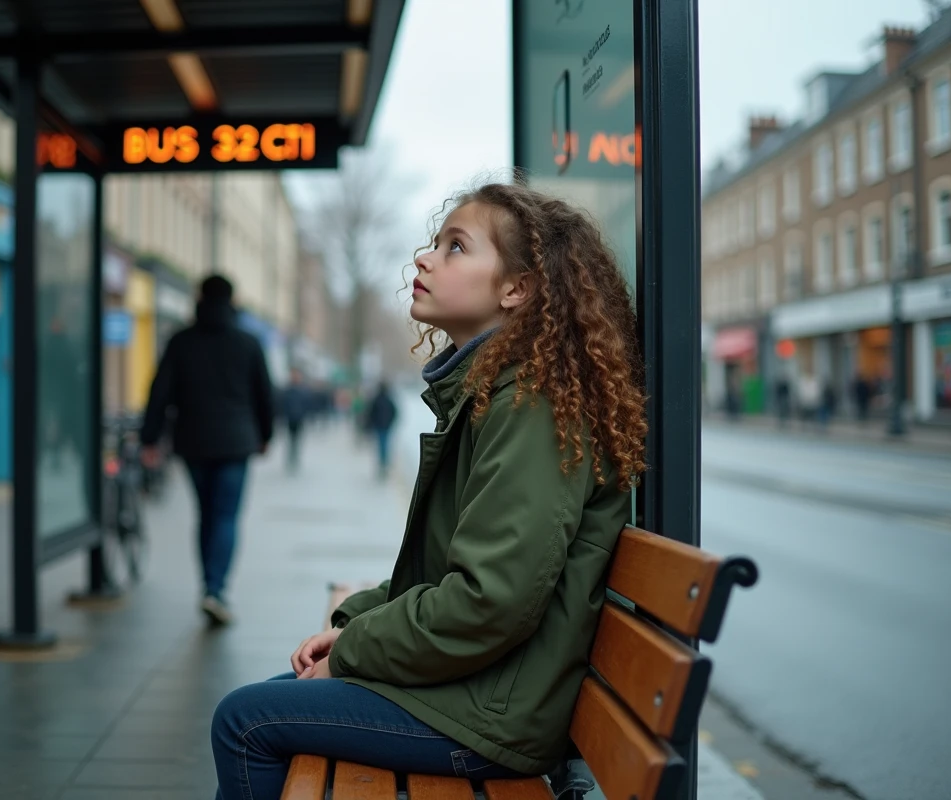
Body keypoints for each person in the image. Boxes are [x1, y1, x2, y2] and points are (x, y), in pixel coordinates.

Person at [209, 182, 648, 799]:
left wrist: (355, 648)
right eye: (435, 244)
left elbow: (488, 601)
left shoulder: (529, 408)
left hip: (494, 717)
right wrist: (353, 622)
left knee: (245, 721)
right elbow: (447, 575)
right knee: (264, 705)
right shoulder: (499, 395)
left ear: (515, 289)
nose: (425, 257)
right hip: (489, 691)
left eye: (456, 247)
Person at [140, 275, 274, 626]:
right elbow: (265, 394)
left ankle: (208, 586)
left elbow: (160, 391)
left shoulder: (181, 341)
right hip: (236, 441)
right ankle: (216, 590)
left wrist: (149, 439)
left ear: (199, 298)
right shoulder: (248, 342)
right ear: (233, 300)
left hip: (194, 441)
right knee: (226, 516)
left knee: (206, 514)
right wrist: (265, 435)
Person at [279, 368, 314, 473]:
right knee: (290, 440)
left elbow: (307, 405)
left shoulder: (303, 390)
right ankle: (290, 458)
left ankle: (295, 458)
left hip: (299, 419)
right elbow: (282, 404)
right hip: (290, 419)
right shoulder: (287, 390)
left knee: (297, 440)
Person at [365, 381, 398, 478]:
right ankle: (384, 463)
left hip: (379, 426)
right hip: (386, 427)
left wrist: (372, 424)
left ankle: (382, 463)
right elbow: (395, 412)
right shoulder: (389, 399)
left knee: (381, 445)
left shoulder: (376, 399)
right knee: (385, 445)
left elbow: (371, 413)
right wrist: (390, 423)